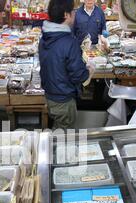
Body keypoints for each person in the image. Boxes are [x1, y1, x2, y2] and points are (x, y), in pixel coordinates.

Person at [39, 0, 94, 130]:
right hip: (64, 100)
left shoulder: (45, 38)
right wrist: (89, 70)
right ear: (66, 14)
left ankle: (53, 148)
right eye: (73, 11)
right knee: (65, 137)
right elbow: (78, 76)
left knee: (58, 130)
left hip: (50, 96)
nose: (75, 14)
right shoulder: (69, 42)